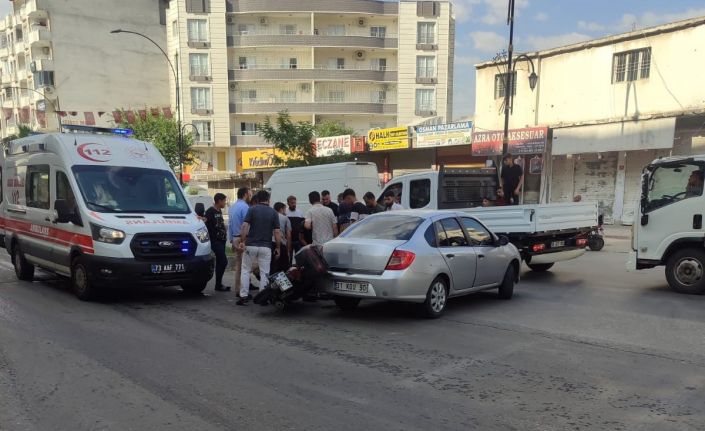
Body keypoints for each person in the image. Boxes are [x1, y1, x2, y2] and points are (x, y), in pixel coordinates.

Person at [237, 190, 281, 306]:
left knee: (245, 270)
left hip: (251, 245)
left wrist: (242, 241)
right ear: (268, 199)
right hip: (266, 247)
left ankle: (243, 296)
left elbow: (245, 226)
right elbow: (277, 232)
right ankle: (263, 297)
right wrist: (278, 247)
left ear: (257, 199)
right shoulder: (273, 212)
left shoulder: (252, 209)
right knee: (264, 272)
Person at [205, 193, 230, 292]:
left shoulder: (219, 211)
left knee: (220, 262)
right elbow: (205, 220)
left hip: (222, 240)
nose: (225, 203)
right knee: (224, 261)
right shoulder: (210, 211)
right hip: (215, 241)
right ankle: (218, 284)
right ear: (219, 201)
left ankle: (218, 284)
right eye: (224, 200)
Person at [229, 187, 251, 293]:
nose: (250, 196)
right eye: (250, 194)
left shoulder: (232, 207)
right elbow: (245, 226)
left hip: (235, 237)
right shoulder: (245, 207)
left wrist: (231, 240)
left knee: (239, 266)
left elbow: (229, 225)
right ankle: (243, 290)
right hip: (243, 238)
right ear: (245, 194)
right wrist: (244, 240)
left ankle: (238, 289)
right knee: (245, 266)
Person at [273, 202, 292, 271]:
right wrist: (288, 251)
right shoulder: (285, 218)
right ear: (281, 209)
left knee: (272, 267)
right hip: (281, 245)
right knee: (283, 268)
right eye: (285, 209)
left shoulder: (270, 216)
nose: (285, 211)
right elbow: (289, 236)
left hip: (270, 245)